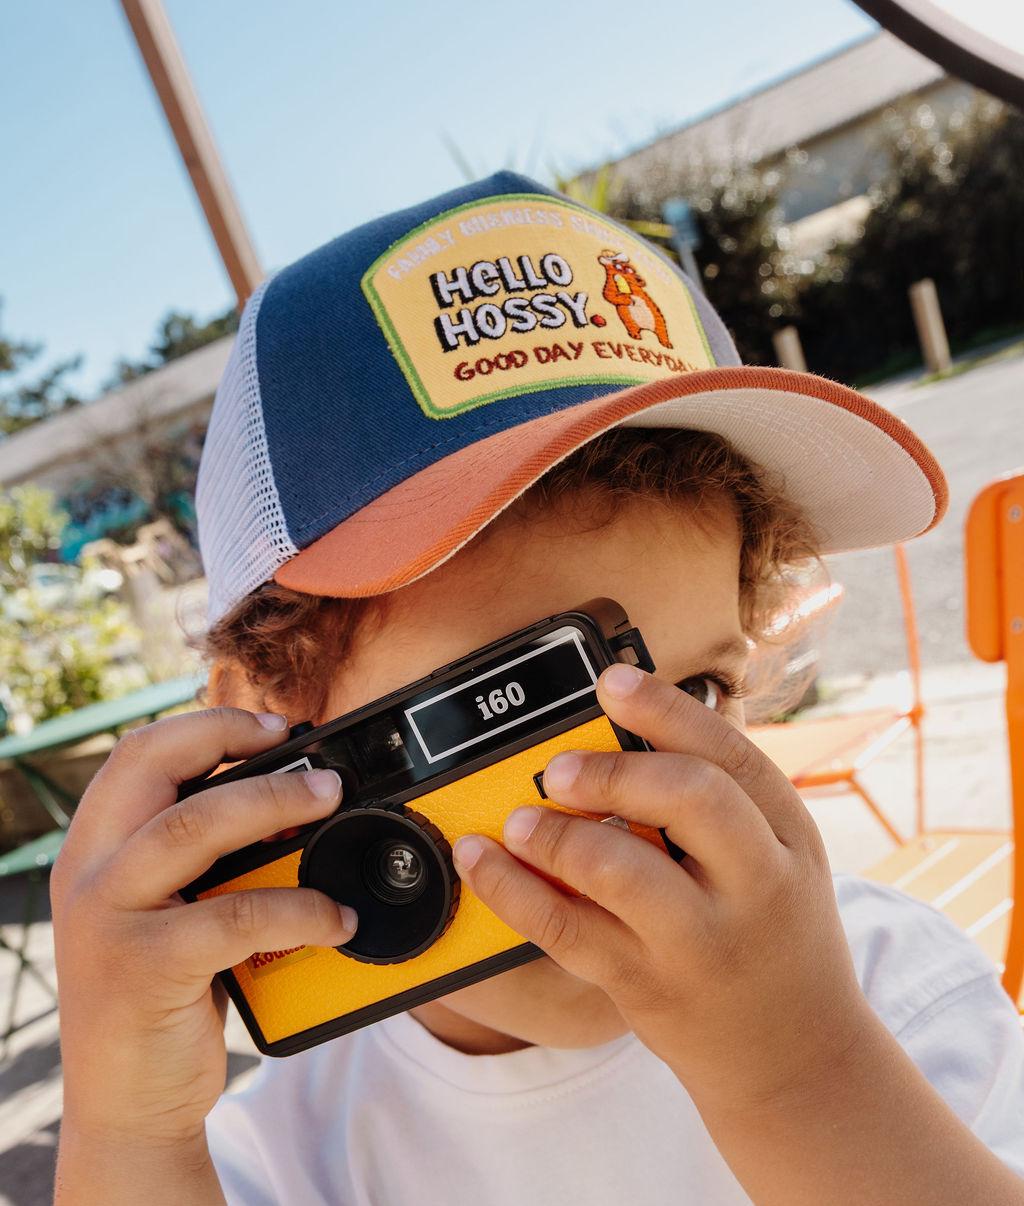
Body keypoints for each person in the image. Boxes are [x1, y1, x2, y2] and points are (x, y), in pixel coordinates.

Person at [51, 173, 1024, 1205]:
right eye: (523, 702)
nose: (655, 811)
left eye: (696, 690)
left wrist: (801, 1077)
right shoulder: (271, 1160)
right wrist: (128, 1136)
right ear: (248, 739)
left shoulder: (881, 1001)